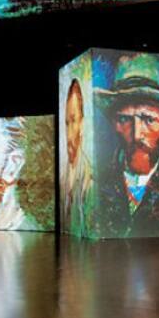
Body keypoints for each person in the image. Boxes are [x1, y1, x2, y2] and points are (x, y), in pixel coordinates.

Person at [94, 54, 159, 238]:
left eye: (148, 119)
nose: (136, 134)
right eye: (125, 119)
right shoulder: (94, 185)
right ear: (114, 124)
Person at [61, 78, 93, 236]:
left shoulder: (90, 181)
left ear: (82, 123)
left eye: (73, 120)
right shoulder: (62, 180)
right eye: (67, 123)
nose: (68, 132)